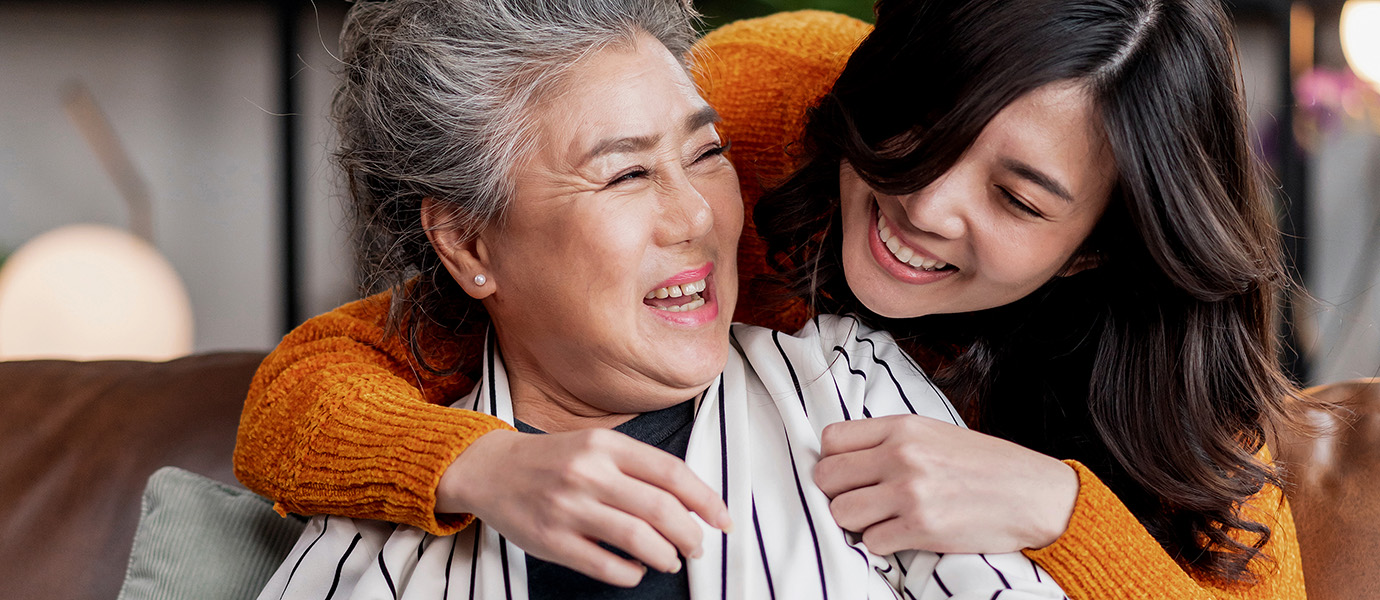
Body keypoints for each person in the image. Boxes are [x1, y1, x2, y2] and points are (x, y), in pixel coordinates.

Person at [235, 0, 1309, 598]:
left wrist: (1062, 511)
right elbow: (318, 380)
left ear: (1091, 251)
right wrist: (478, 464)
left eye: (1019, 198)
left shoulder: (1168, 372)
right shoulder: (742, 118)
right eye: (925, 132)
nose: (923, 203)